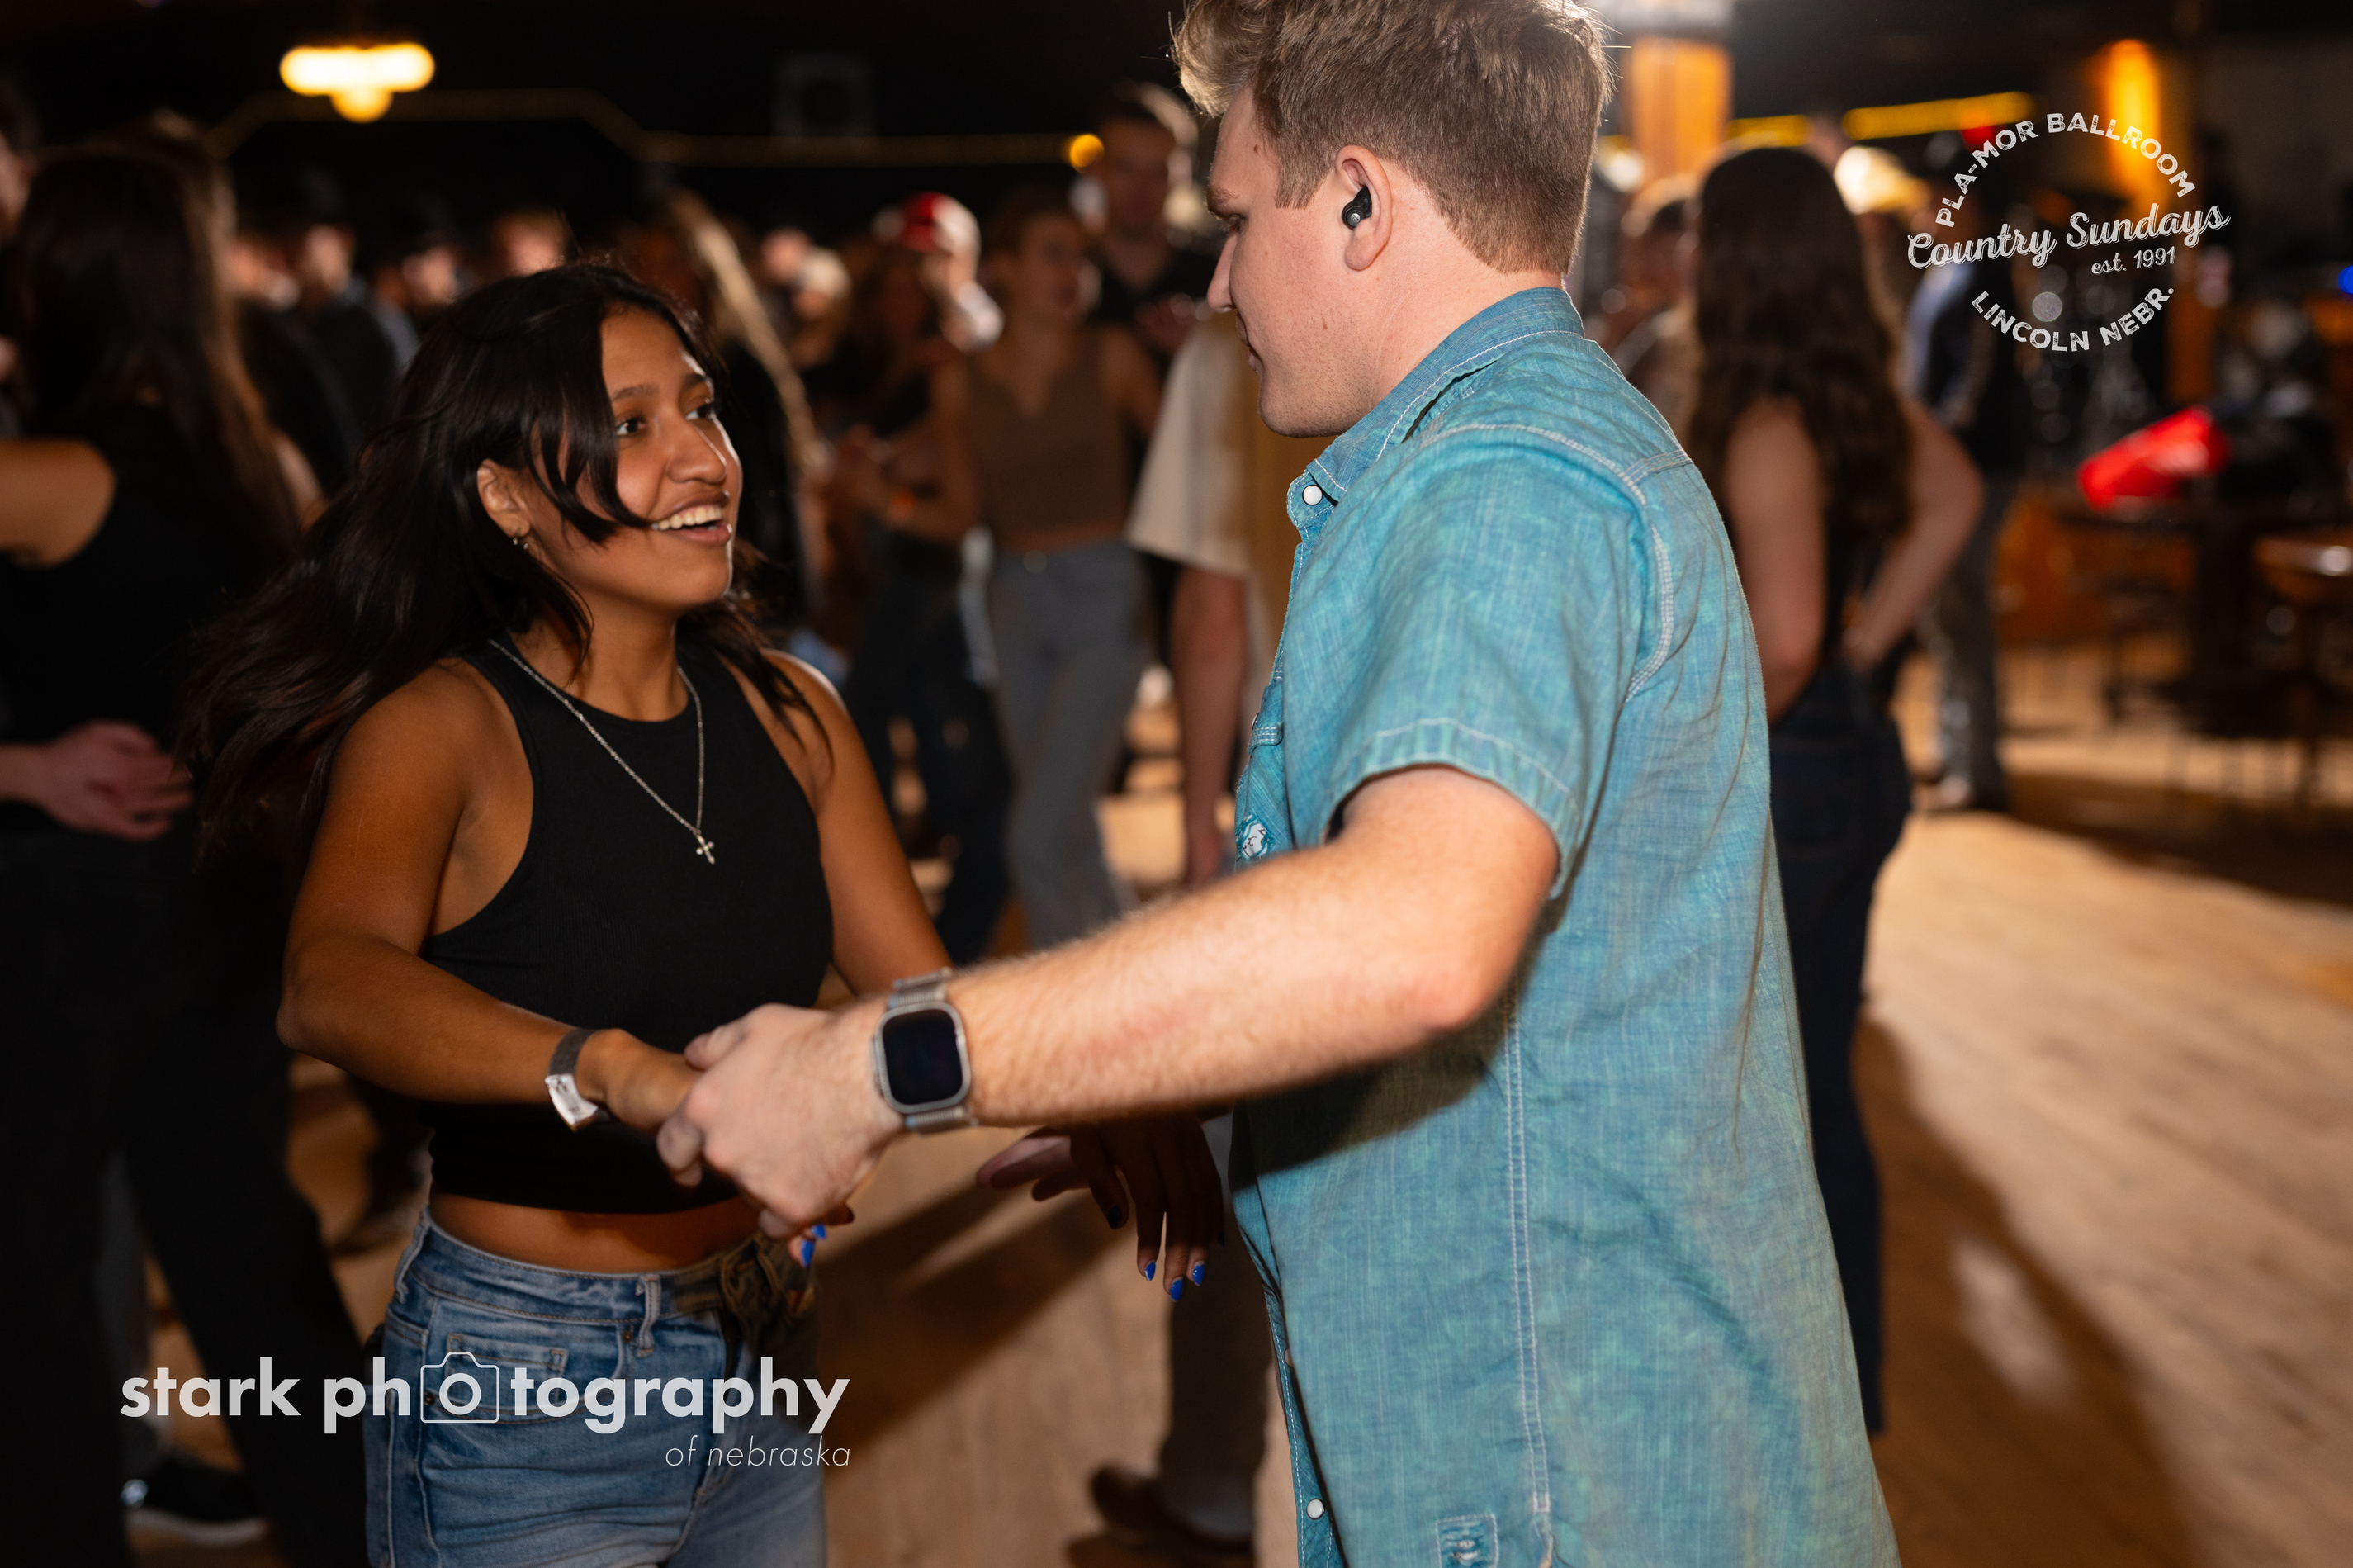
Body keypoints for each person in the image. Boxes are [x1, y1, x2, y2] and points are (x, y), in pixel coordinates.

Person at [660, 2, 1900, 1563]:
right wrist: (1181, 1071)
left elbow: (1415, 931)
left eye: (1240, 220)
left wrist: (878, 1062)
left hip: (1574, 1485)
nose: (1220, 280)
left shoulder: (1502, 483)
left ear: (1362, 201)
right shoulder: (1528, 451)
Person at [186, 263, 1217, 1567]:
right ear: (505, 494)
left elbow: (924, 998)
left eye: (700, 406)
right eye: (629, 424)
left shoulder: (792, 715)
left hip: (759, 1339)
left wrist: (1109, 1085)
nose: (701, 457)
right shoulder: (444, 726)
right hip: (521, 1379)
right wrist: (611, 1068)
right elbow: (329, 978)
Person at [0, 148, 363, 1568]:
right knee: (245, 1246)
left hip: (71, 910)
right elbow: (322, 678)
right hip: (224, 897)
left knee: (26, 1268)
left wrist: (24, 767)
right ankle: (368, 1529)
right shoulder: (265, 463)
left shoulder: (52, 477)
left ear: (67, 281)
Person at [1687, 145, 1981, 1433]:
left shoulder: (1763, 423)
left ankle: (1817, 1407)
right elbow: (1951, 498)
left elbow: (1784, 636)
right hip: (1847, 756)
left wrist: (1687, 761)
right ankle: (1835, 1398)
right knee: (1816, 1088)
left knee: (1786, 1098)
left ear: (1736, 259)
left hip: (1794, 772)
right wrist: (1865, 657)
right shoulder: (1846, 391)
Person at [1080, 306, 1325, 1561]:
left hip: (1299, 853)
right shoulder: (1488, 350)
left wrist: (1197, 841)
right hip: (1427, 842)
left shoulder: (1228, 358)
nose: (1219, 273)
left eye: (1233, 221)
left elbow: (1214, 617)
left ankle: (1213, 1486)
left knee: (1231, 1172)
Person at [956, 188, 1161, 947]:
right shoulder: (960, 381)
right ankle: (1136, 982)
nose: (1073, 273)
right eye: (1053, 255)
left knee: (1037, 835)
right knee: (1067, 822)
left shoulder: (1113, 358)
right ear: (1004, 269)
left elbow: (1186, 461)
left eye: (1080, 258)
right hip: (1012, 600)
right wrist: (882, 492)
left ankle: (1071, 1001)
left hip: (1105, 596)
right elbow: (959, 511)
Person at [814, 237, 1014, 963]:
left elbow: (954, 474)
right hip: (895, 556)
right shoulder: (868, 363)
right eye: (887, 288)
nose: (897, 300)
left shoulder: (943, 362)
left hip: (932, 558)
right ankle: (941, 896)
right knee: (951, 714)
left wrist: (884, 480)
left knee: (873, 700)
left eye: (910, 287)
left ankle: (885, 860)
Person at [626, 187, 824, 630]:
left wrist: (748, 600)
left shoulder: (738, 369)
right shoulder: (650, 365)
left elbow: (766, 499)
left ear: (704, 273)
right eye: (645, 263)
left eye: (671, 264)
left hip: (743, 594)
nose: (654, 279)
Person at [1905, 189, 2029, 811]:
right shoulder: (1944, 269)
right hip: (1946, 465)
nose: (1923, 215)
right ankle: (1956, 751)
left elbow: (1975, 385)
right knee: (1946, 614)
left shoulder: (1986, 274)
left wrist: (1935, 445)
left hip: (1974, 468)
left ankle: (1978, 769)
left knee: (1964, 612)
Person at [1089, 81, 1219, 367]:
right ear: (1098, 169)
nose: (1141, 188)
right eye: (1126, 168)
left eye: (1158, 172)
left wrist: (1203, 345)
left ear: (1182, 177)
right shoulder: (1068, 279)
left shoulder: (1215, 284)